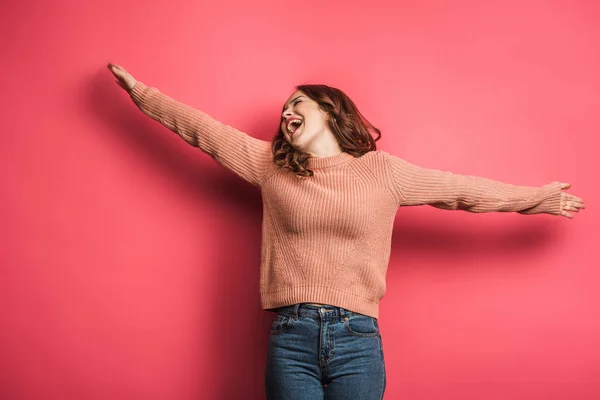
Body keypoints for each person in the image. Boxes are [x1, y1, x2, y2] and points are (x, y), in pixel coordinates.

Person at [106, 63, 586, 400]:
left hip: (358, 336)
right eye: (283, 109)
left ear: (329, 110)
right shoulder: (272, 165)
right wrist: (141, 92)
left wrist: (537, 199)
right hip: (290, 334)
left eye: (297, 104)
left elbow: (461, 190)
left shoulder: (383, 171)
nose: (285, 113)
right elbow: (202, 131)